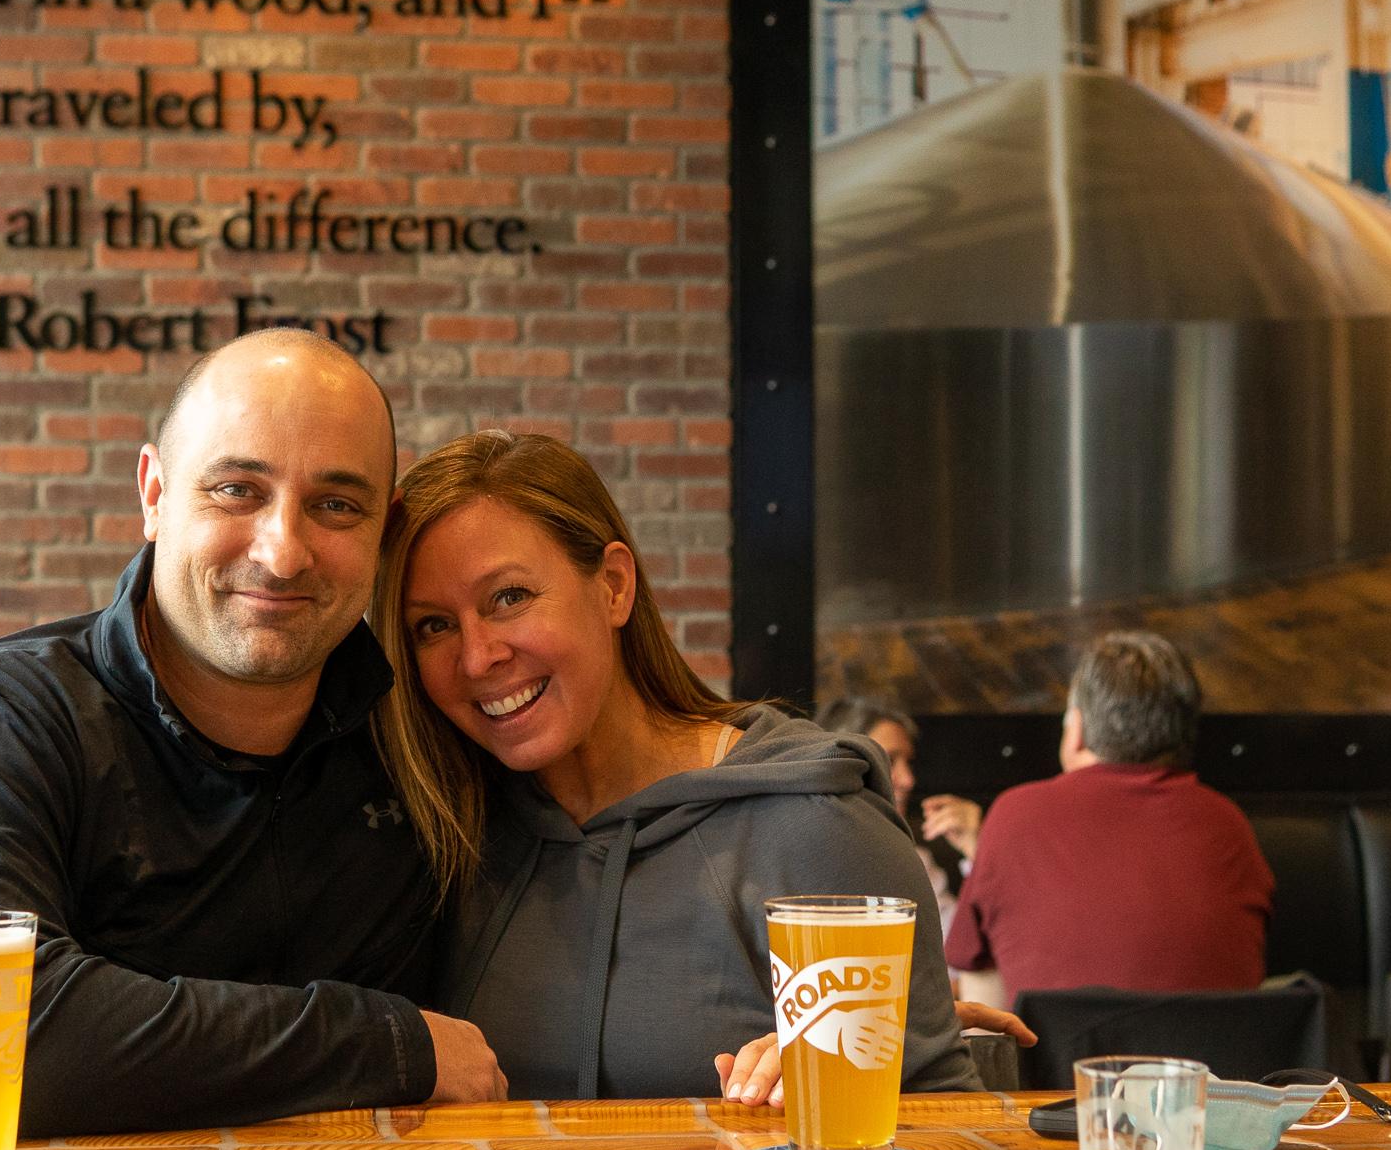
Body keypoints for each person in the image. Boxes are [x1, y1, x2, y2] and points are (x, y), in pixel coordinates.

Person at [0, 332, 504, 1136]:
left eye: (336, 505)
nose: (283, 551)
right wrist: (389, 1045)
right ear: (155, 494)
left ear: (384, 529)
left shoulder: (425, 733)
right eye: (237, 490)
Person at [371, 429, 981, 1100]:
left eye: (508, 597)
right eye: (433, 626)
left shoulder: (813, 822)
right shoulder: (451, 835)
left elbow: (944, 1140)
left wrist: (833, 1084)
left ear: (613, 586)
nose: (475, 656)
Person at [942, 631, 1275, 1006]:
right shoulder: (1228, 823)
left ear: (1077, 732)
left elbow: (971, 965)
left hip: (1064, 1063)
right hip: (1217, 1064)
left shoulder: (1016, 814)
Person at [814, 696, 981, 931]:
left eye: (908, 762)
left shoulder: (914, 861)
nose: (908, 780)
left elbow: (958, 951)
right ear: (839, 764)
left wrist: (976, 852)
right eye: (888, 760)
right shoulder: (801, 857)